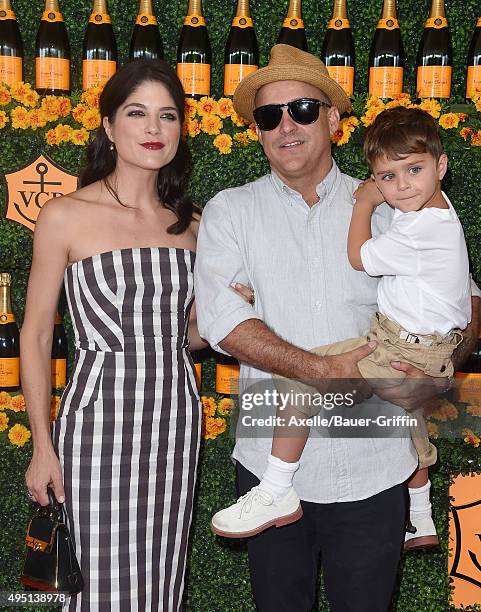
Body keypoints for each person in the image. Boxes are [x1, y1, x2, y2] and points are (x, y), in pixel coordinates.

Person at [194, 44, 481, 612]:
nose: (285, 125)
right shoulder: (231, 211)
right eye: (268, 115)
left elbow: (466, 304)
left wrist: (437, 375)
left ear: (333, 119)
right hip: (267, 460)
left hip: (376, 459)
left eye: (302, 108)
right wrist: (321, 370)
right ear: (257, 131)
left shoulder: (394, 196)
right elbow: (223, 321)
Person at [21, 59, 205, 611]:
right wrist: (41, 445)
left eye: (167, 116)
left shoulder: (192, 223)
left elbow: (187, 336)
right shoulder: (64, 216)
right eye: (137, 113)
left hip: (175, 418)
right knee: (94, 581)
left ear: (180, 129)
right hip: (98, 421)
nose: (154, 129)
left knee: (162, 574)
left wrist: (236, 309)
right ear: (108, 125)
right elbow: (34, 336)